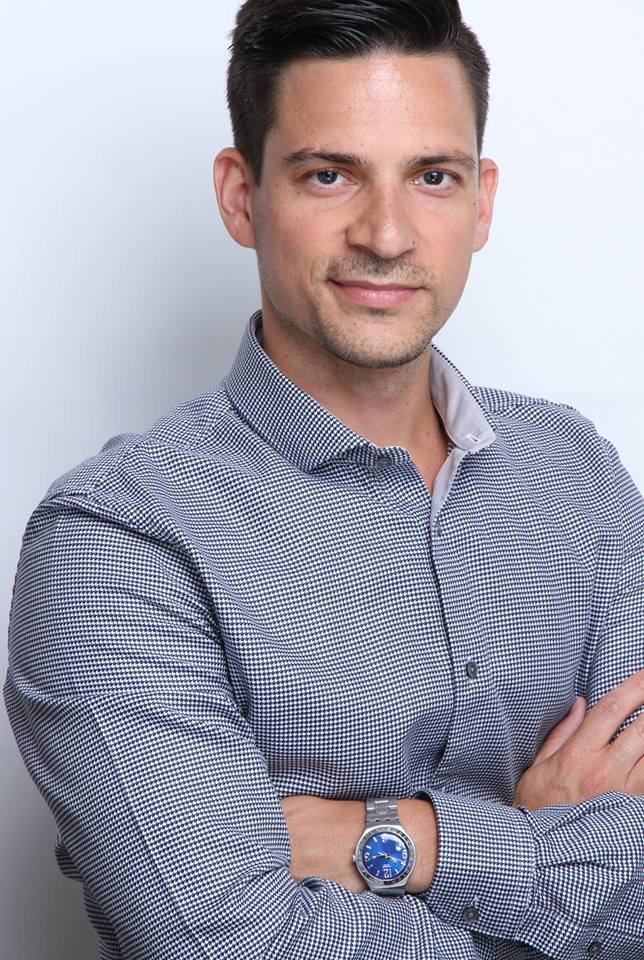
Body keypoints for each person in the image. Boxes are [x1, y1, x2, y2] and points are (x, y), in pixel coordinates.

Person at [4, 0, 643, 957]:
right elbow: (222, 940)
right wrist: (551, 846)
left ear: (483, 200)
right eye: (329, 174)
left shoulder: (574, 472)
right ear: (240, 194)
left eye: (433, 176)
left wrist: (391, 839)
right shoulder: (121, 540)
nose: (386, 234)